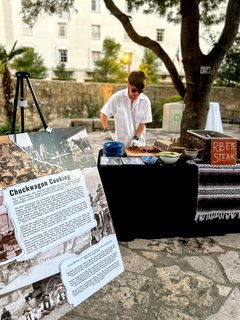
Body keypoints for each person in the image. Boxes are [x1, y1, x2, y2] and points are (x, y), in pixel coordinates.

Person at [100, 71, 152, 147]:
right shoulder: (117, 97)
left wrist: (135, 138)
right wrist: (106, 130)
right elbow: (104, 113)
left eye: (140, 91)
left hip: (138, 144)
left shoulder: (146, 101)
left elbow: (143, 123)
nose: (137, 94)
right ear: (128, 84)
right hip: (120, 144)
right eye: (134, 90)